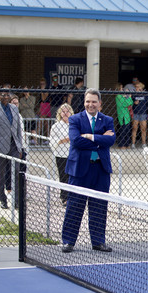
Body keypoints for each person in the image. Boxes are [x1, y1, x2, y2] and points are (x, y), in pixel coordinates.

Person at [61, 88, 116, 253]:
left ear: (100, 103)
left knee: (99, 206)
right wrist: (101, 140)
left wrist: (90, 137)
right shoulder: (75, 119)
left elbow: (111, 139)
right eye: (87, 101)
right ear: (84, 103)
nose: (90, 104)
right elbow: (76, 141)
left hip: (101, 169)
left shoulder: (107, 120)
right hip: (79, 170)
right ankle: (68, 241)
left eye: (93, 101)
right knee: (75, 206)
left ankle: (98, 242)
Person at [50, 103, 73, 206]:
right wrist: (64, 140)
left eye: (67, 111)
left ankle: (72, 196)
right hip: (60, 154)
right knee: (63, 175)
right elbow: (53, 140)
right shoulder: (56, 126)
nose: (65, 113)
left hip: (72, 153)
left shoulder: (73, 124)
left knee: (72, 175)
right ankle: (64, 197)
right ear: (60, 113)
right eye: (63, 111)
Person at [131, 82, 148, 149]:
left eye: (138, 87)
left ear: (141, 87)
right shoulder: (134, 95)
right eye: (136, 87)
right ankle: (133, 143)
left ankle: (144, 143)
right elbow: (130, 103)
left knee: (143, 129)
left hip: (143, 113)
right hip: (135, 113)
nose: (136, 88)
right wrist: (134, 103)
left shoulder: (145, 94)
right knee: (134, 128)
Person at [114, 83, 132, 149]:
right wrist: (129, 98)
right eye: (121, 88)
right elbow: (125, 103)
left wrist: (128, 98)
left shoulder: (124, 96)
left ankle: (127, 144)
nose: (122, 89)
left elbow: (131, 103)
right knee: (123, 130)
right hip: (122, 116)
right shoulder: (119, 96)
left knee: (127, 130)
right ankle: (121, 144)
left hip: (127, 115)